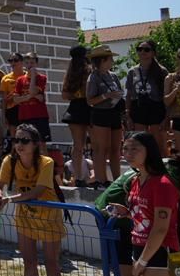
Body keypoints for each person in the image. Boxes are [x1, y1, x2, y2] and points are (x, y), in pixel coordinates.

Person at [104, 133, 180, 276]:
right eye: (125, 149)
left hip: (161, 256)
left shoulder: (163, 183)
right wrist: (126, 212)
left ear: (149, 150)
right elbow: (143, 218)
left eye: (134, 149)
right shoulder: (137, 181)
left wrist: (142, 262)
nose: (128, 154)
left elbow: (160, 228)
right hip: (143, 253)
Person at [0, 123, 66, 276]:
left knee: (52, 264)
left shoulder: (46, 162)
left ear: (35, 144)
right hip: (25, 216)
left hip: (49, 217)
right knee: (29, 262)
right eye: (16, 140)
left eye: (24, 141)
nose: (19, 145)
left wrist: (9, 199)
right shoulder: (9, 160)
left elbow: (38, 190)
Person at [87, 44, 124, 187]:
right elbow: (90, 100)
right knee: (102, 148)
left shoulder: (113, 76)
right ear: (102, 60)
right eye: (110, 58)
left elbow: (119, 91)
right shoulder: (93, 77)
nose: (112, 61)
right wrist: (107, 95)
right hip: (100, 114)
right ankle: (101, 180)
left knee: (116, 148)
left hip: (114, 113)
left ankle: (117, 180)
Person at [126, 40, 169, 156]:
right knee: (139, 143)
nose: (142, 52)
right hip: (138, 106)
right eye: (139, 49)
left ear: (153, 53)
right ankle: (143, 172)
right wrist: (128, 115)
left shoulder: (162, 71)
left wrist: (167, 116)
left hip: (156, 106)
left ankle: (164, 172)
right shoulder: (132, 71)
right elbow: (129, 94)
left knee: (159, 143)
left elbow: (167, 94)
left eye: (146, 49)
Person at [61, 45, 92, 187]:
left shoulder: (70, 72)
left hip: (75, 107)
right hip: (88, 107)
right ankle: (87, 176)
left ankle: (78, 176)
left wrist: (76, 94)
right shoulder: (90, 71)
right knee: (92, 145)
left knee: (78, 145)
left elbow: (65, 95)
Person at [13, 52, 51, 152]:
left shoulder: (42, 78)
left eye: (32, 63)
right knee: (26, 143)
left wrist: (33, 76)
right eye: (28, 63)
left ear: (36, 64)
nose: (30, 65)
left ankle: (45, 167)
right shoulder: (20, 80)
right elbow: (16, 99)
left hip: (39, 115)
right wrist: (31, 97)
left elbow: (32, 91)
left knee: (42, 143)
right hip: (25, 116)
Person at [1, 53, 26, 137]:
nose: (13, 63)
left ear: (22, 62)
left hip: (26, 107)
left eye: (15, 60)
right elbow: (4, 99)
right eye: (10, 61)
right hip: (12, 109)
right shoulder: (6, 78)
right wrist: (4, 116)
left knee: (26, 133)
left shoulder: (28, 76)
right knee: (13, 136)